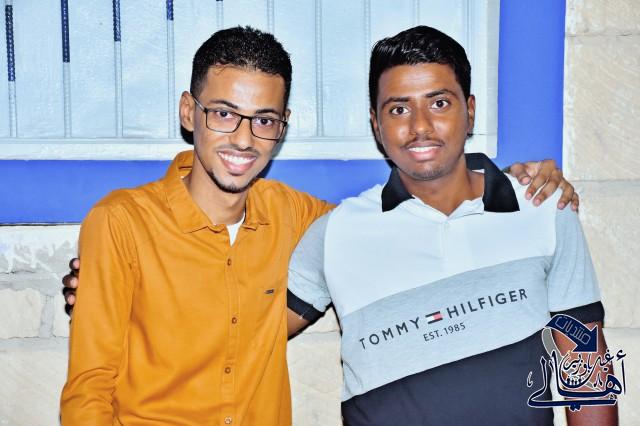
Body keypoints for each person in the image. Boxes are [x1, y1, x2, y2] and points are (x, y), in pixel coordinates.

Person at [61, 26, 578, 424]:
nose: (243, 138)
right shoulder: (121, 222)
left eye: (264, 120)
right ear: (187, 112)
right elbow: (89, 389)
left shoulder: (306, 220)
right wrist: (104, 287)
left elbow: (404, 211)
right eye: (223, 113)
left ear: (282, 127)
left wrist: (511, 181)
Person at [285, 26, 616, 425]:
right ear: (376, 123)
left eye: (439, 103)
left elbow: (587, 368)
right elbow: (247, 333)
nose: (420, 126)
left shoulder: (543, 209)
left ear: (470, 110)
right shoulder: (336, 234)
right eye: (399, 109)